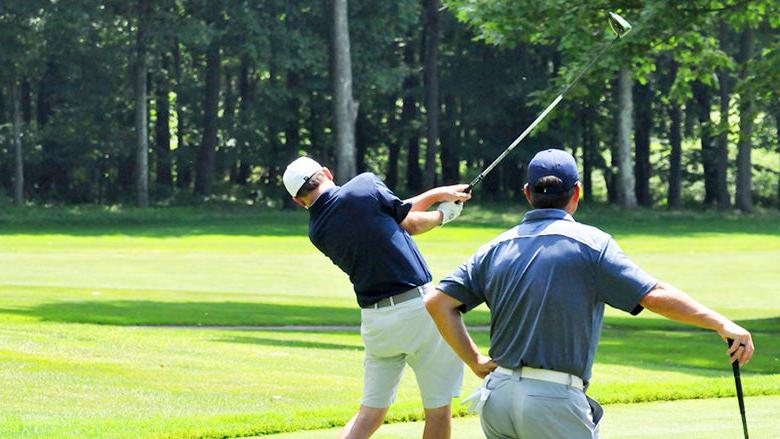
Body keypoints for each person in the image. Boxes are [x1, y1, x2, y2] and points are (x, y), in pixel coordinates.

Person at [424, 149, 755, 439]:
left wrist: (476, 361)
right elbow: (652, 294)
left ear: (528, 193)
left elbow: (438, 302)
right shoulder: (591, 244)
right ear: (577, 193)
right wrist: (721, 324)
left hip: (497, 399)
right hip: (553, 400)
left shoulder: (495, 247)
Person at [283, 156, 470, 439]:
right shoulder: (365, 185)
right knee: (437, 408)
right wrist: (445, 214)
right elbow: (410, 223)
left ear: (299, 201)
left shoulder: (317, 230)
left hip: (376, 323)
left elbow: (388, 212)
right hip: (419, 310)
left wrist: (438, 195)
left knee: (369, 414)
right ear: (326, 172)